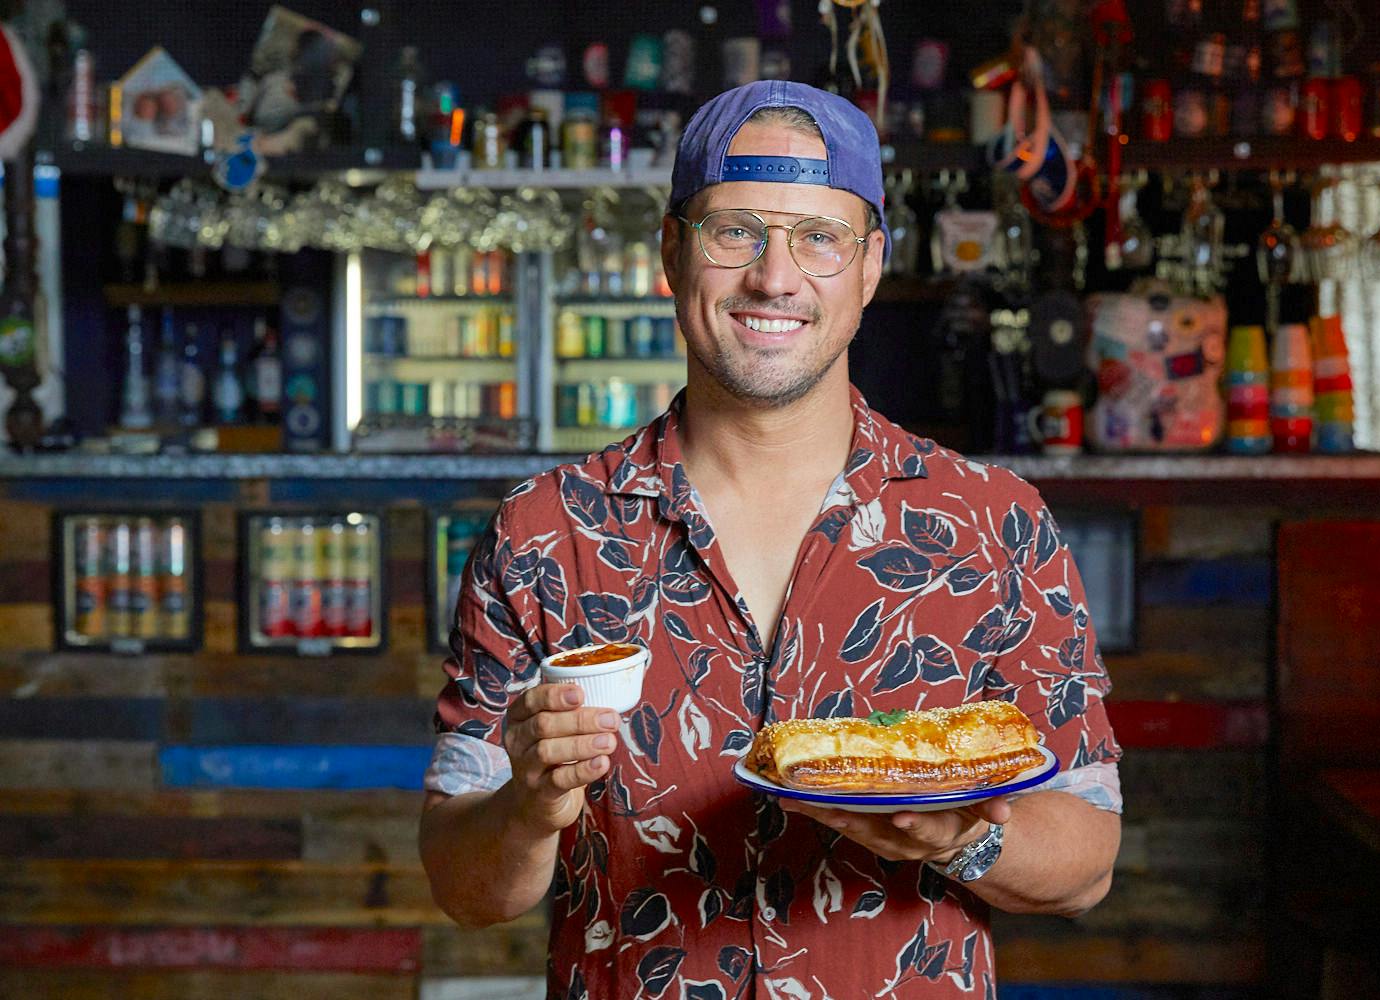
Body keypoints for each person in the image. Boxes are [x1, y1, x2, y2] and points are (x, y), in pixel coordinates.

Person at [420, 80, 1122, 999]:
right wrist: (529, 808)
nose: (775, 277)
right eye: (735, 231)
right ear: (672, 252)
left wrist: (961, 836)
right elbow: (465, 887)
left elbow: (1088, 860)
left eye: (819, 238)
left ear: (870, 266)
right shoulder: (543, 533)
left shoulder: (992, 525)